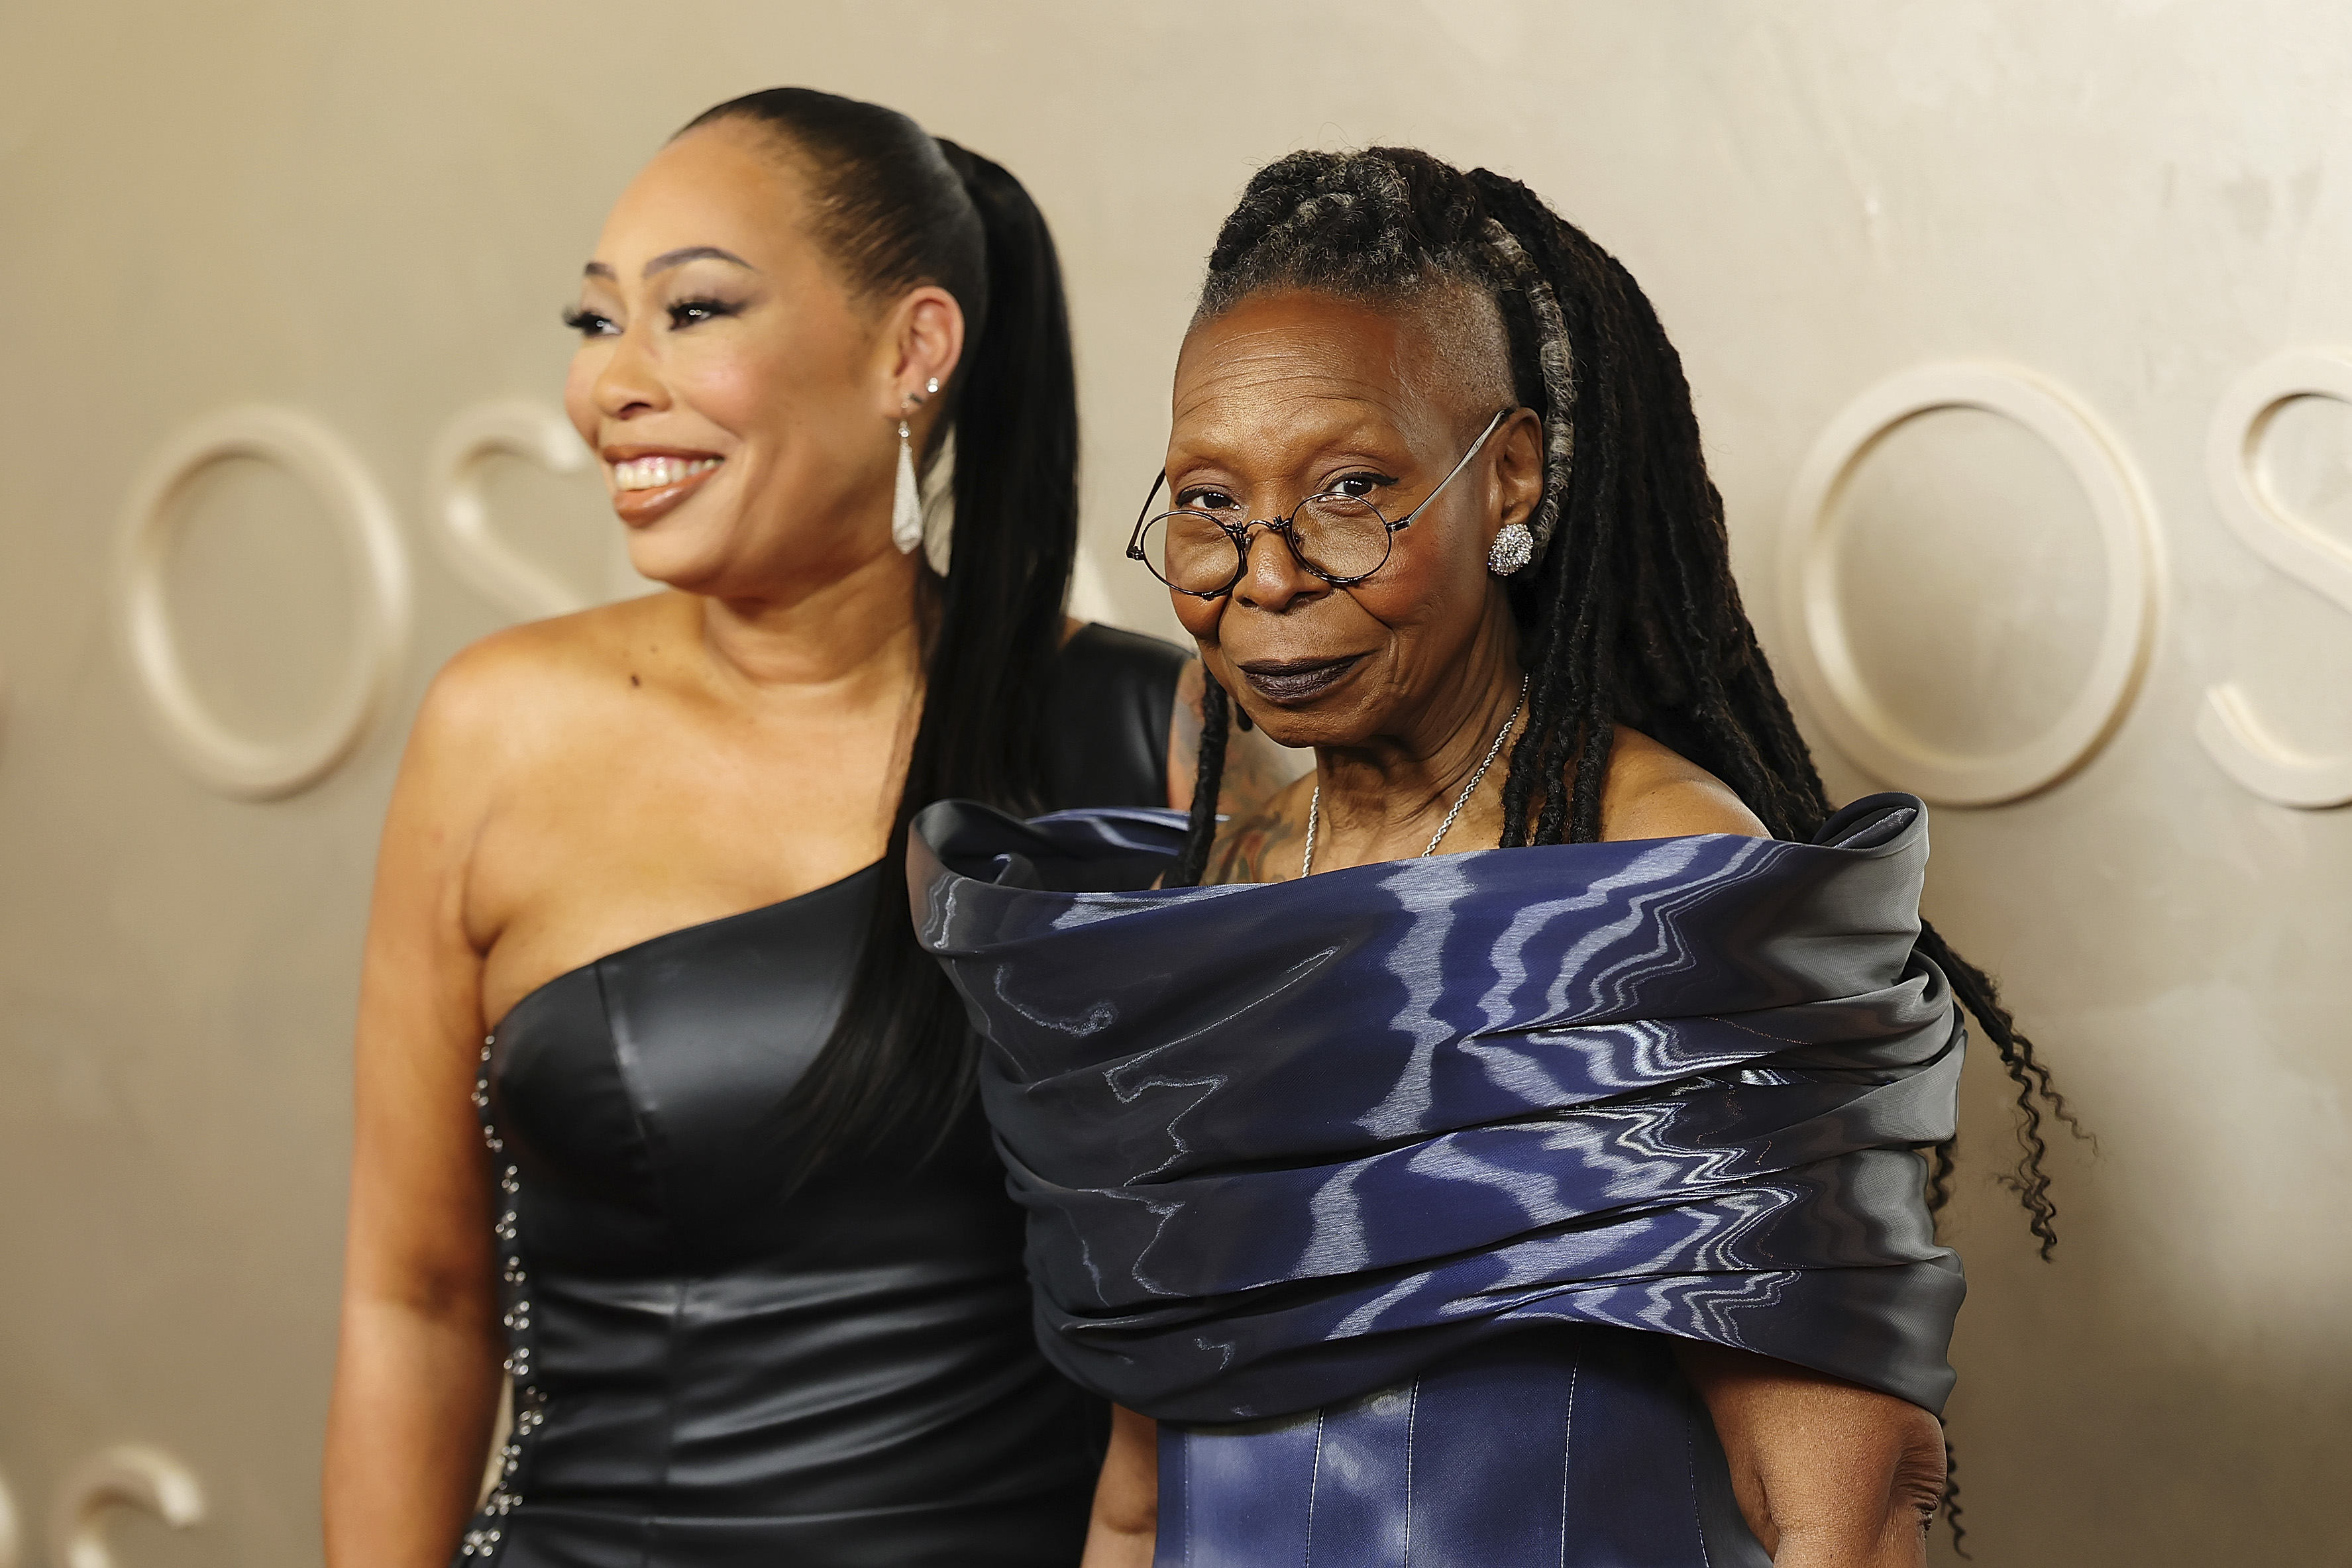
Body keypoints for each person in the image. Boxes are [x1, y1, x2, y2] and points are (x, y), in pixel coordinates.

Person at [908, 147, 2079, 1567]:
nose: (1263, 574)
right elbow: (1138, 1496)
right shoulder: (1202, 896)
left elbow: (1833, 1505)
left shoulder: (1663, 889)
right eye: (1208, 501)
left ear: (1506, 474)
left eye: (1347, 487)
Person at [321, 88, 1282, 1568]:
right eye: (593, 325)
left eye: (691, 310)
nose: (611, 388)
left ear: (912, 350)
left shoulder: (1145, 739)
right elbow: (417, 1296)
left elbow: (1241, 1299)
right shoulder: (494, 730)